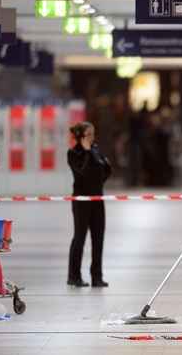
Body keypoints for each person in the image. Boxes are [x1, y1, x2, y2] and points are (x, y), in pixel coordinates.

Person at [67, 122, 112, 288]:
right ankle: (74, 276)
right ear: (82, 136)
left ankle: (97, 276)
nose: (93, 138)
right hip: (81, 201)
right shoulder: (73, 153)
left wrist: (98, 182)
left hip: (97, 199)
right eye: (89, 134)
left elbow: (107, 169)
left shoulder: (96, 150)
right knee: (79, 237)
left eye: (93, 134)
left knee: (98, 238)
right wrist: (86, 152)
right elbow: (81, 174)